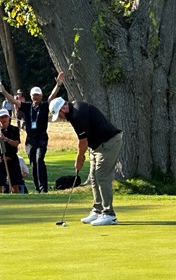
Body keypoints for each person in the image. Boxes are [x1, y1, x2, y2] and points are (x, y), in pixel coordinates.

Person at [50, 95, 123, 226]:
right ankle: (97, 210)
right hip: (97, 146)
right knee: (94, 176)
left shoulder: (77, 114)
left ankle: (109, 214)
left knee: (102, 175)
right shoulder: (72, 112)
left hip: (109, 143)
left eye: (60, 115)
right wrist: (82, 156)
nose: (60, 118)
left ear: (63, 108)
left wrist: (79, 158)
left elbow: (83, 141)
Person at [0, 72, 63, 193]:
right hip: (30, 139)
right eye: (34, 95)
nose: (36, 96)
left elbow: (52, 96)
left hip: (42, 137)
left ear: (41, 95)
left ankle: (43, 188)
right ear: (31, 96)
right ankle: (38, 187)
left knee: (40, 159)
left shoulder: (44, 106)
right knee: (33, 162)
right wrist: (3, 91)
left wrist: (58, 84)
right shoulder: (27, 106)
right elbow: (12, 100)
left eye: (38, 94)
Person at [0, 108, 23, 193]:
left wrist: (5, 139)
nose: (3, 119)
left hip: (12, 158)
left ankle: (15, 202)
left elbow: (16, 143)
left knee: (15, 184)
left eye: (5, 117)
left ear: (9, 118)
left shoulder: (14, 129)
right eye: (1, 117)